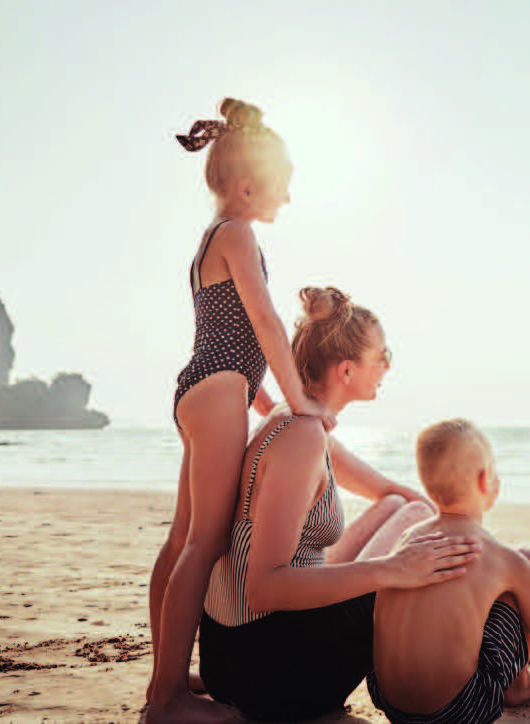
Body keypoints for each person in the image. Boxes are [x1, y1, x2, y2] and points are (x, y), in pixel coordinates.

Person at [198, 287, 482, 722]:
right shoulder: (301, 440)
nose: (388, 365)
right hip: (274, 673)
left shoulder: (299, 424)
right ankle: (487, 654)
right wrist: (395, 569)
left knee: (406, 511)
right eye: (382, 355)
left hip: (230, 659)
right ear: (347, 370)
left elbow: (398, 495)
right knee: (413, 547)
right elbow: (263, 587)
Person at [146, 98, 337, 724]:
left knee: (183, 539)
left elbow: (231, 336)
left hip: (203, 387)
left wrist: (265, 398)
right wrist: (303, 403)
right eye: (283, 184)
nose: (288, 196)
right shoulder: (239, 234)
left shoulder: (213, 239)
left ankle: (168, 673)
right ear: (249, 183)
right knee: (204, 542)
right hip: (217, 391)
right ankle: (166, 698)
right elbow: (264, 322)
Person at [368, 418, 530, 724]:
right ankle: (520, 685)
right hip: (457, 711)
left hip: (390, 703)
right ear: (485, 481)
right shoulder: (503, 559)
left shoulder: (410, 540)